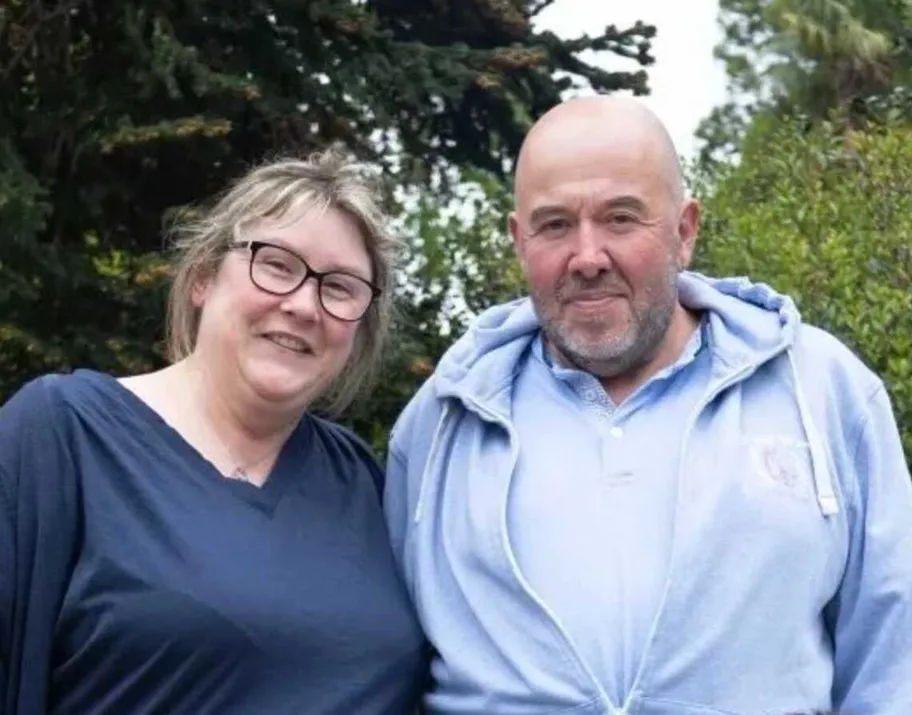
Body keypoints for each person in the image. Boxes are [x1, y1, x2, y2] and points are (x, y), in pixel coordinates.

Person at [385, 96, 912, 715]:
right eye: (554, 225)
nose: (587, 258)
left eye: (620, 218)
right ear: (518, 241)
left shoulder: (824, 391)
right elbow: (386, 658)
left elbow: (893, 657)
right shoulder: (441, 421)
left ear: (685, 231)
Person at [0, 147, 427, 715]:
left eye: (340, 287)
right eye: (277, 265)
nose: (305, 305)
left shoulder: (362, 483)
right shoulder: (64, 434)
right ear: (204, 276)